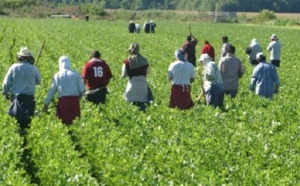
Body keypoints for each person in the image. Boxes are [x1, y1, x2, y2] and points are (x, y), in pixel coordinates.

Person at [2, 47, 41, 134]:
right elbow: (38, 81)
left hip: (16, 98)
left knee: (15, 120)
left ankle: (17, 137)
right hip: (29, 99)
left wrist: (5, 92)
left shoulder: (14, 67)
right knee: (27, 121)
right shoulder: (34, 69)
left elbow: (6, 83)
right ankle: (25, 137)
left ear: (20, 57)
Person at [43, 56, 85, 125]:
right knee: (74, 123)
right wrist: (80, 95)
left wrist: (46, 104)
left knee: (63, 124)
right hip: (74, 102)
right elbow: (82, 89)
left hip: (63, 103)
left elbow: (52, 91)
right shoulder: (76, 74)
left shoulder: (57, 75)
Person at [121, 42, 153, 111]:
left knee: (130, 110)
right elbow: (148, 72)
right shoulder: (145, 60)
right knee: (143, 110)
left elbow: (123, 75)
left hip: (131, 87)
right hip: (143, 87)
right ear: (139, 50)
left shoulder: (127, 62)